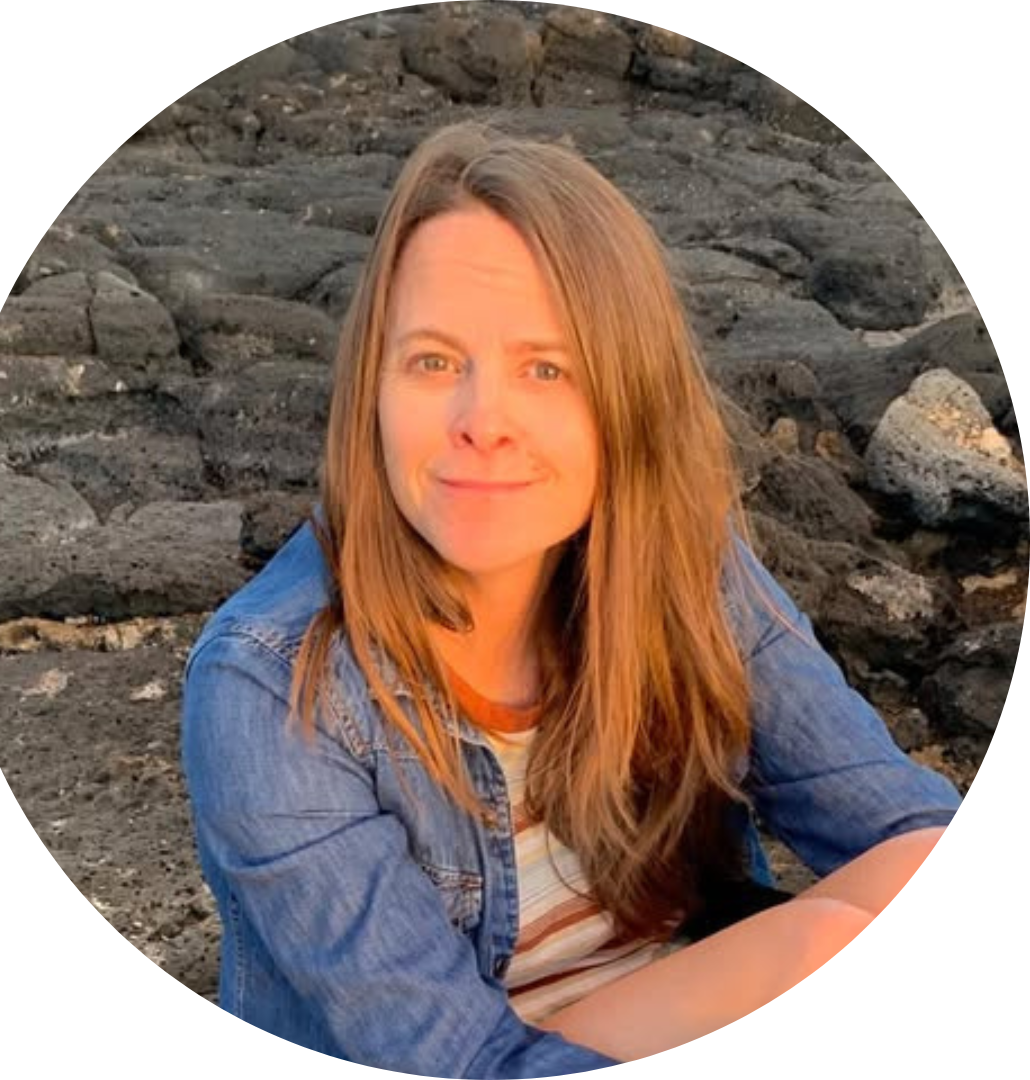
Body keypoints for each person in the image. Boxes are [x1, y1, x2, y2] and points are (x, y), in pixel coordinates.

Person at [181, 122, 962, 1077]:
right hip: (503, 1057)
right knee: (823, 947)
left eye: (546, 369)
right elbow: (467, 1061)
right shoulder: (271, 688)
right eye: (432, 362)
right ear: (370, 390)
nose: (483, 424)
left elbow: (901, 828)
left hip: (692, 999)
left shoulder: (677, 562)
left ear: (627, 396)